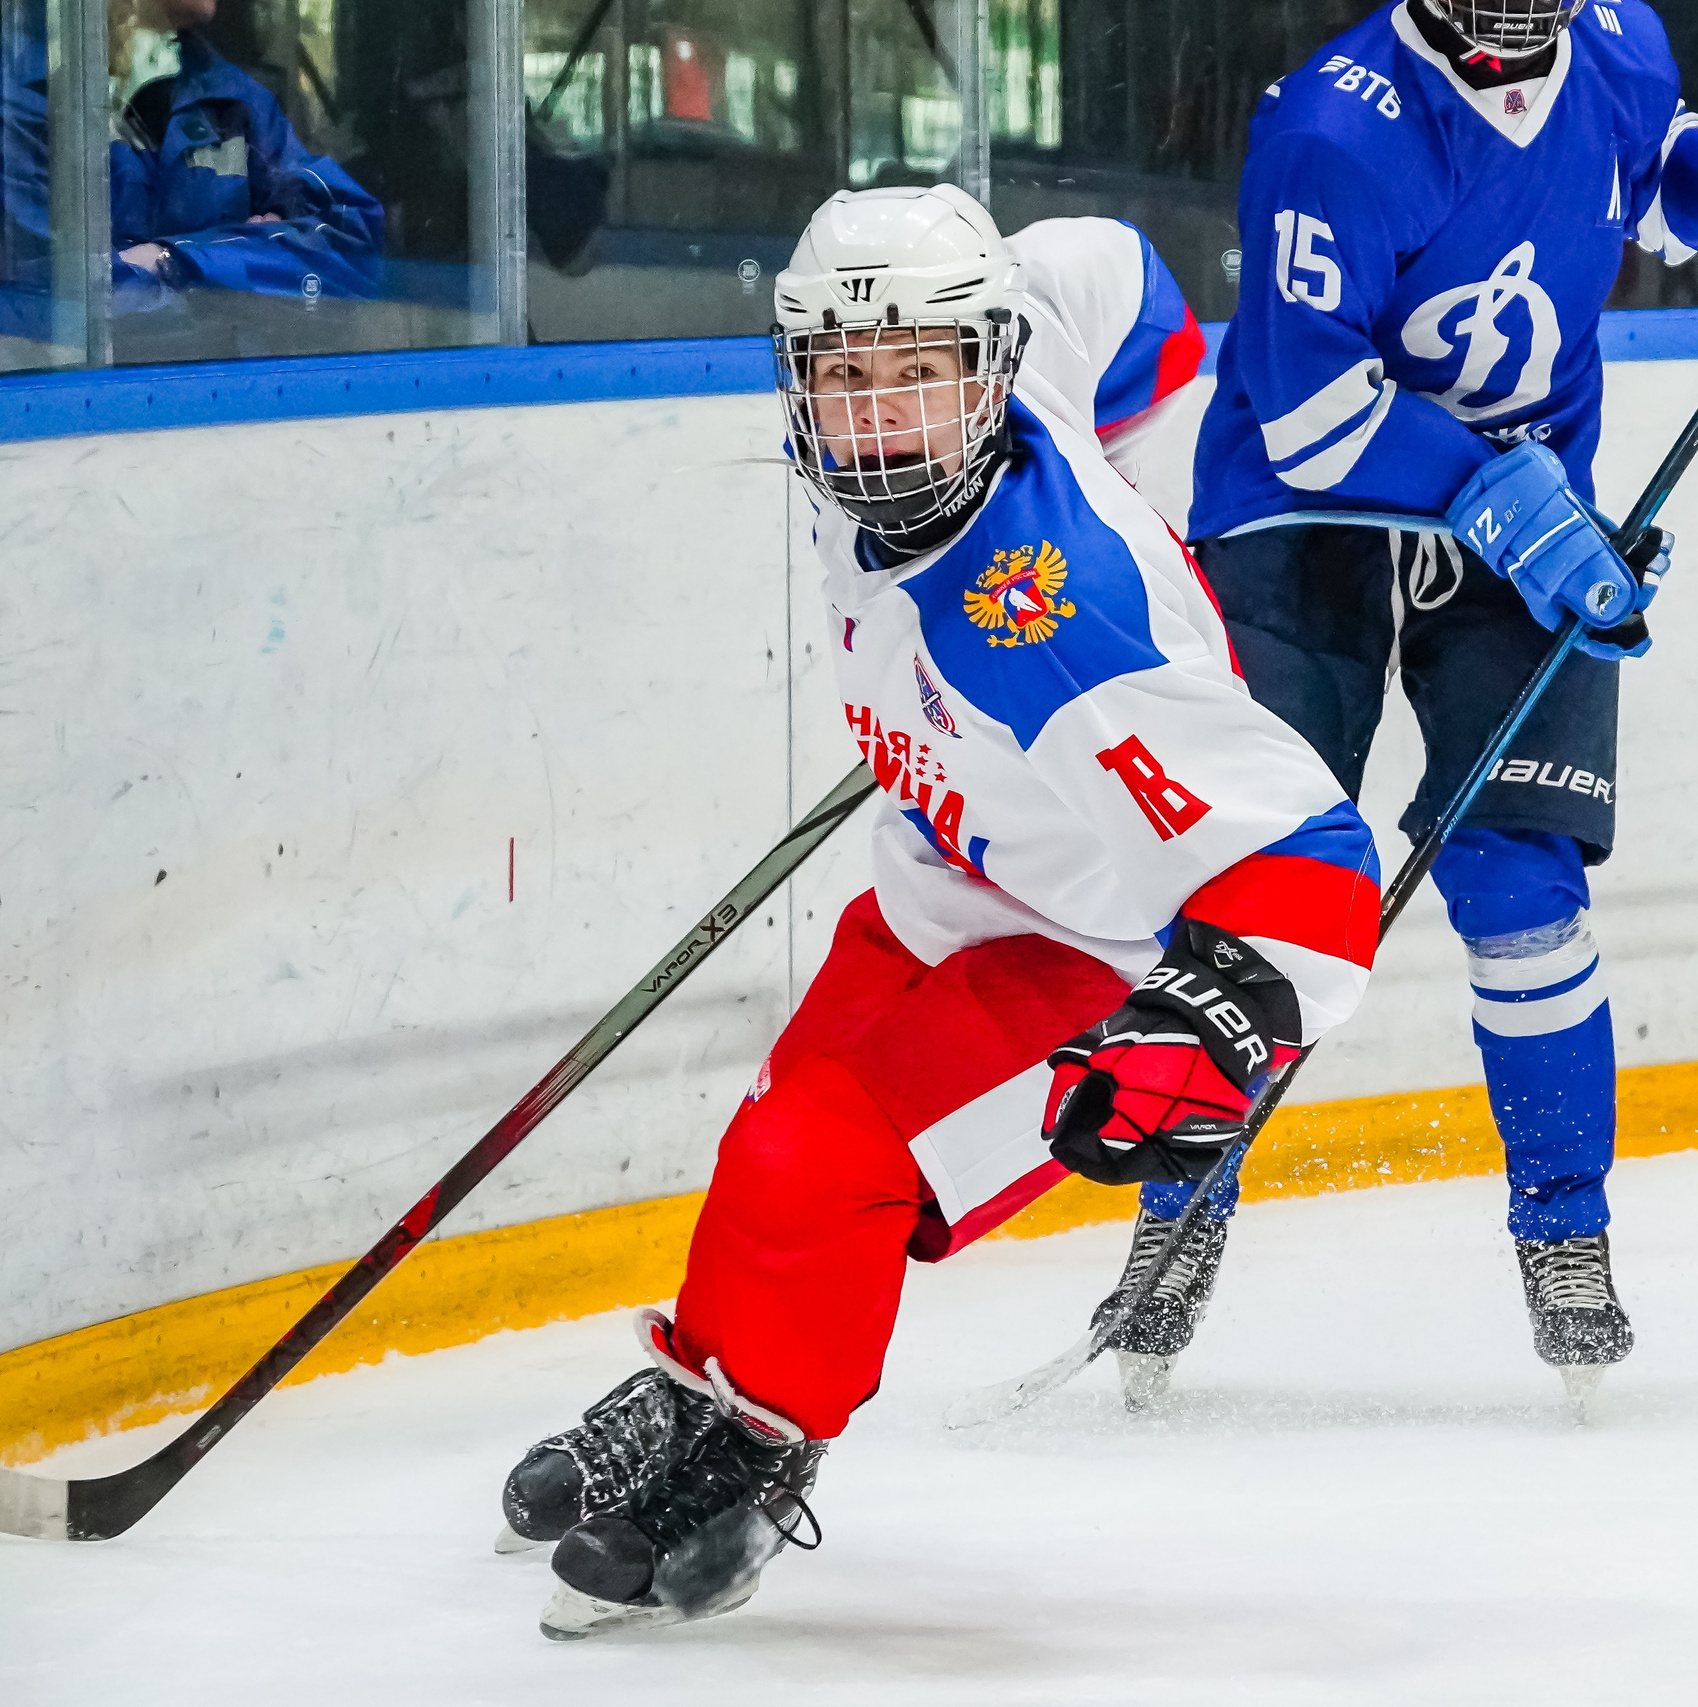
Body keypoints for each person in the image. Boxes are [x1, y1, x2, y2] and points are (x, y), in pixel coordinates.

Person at [496, 184, 1380, 1640]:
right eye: (850, 379)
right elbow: (1126, 276)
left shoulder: (1061, 633)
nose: (888, 419)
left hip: (1093, 943)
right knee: (777, 1120)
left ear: (976, 361)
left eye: (919, 378)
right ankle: (705, 1369)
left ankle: (762, 1435)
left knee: (822, 1153)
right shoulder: (1009, 333)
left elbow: (1318, 865)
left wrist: (1212, 1028)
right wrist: (1137, 459)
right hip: (947, 881)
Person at [1093, 0, 1698, 1401]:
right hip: (1305, 515)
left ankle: (1565, 1232)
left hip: (1527, 508)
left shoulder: (1618, 44)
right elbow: (1309, 410)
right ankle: (1181, 1210)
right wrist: (1492, 490)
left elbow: (1652, 173)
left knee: (1520, 873)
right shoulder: (1333, 128)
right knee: (1255, 892)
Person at [107, 0, 381, 310]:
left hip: (232, 354)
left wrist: (173, 261)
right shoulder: (53, 101)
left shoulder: (237, 100)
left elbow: (351, 244)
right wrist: (256, 248)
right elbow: (58, 289)